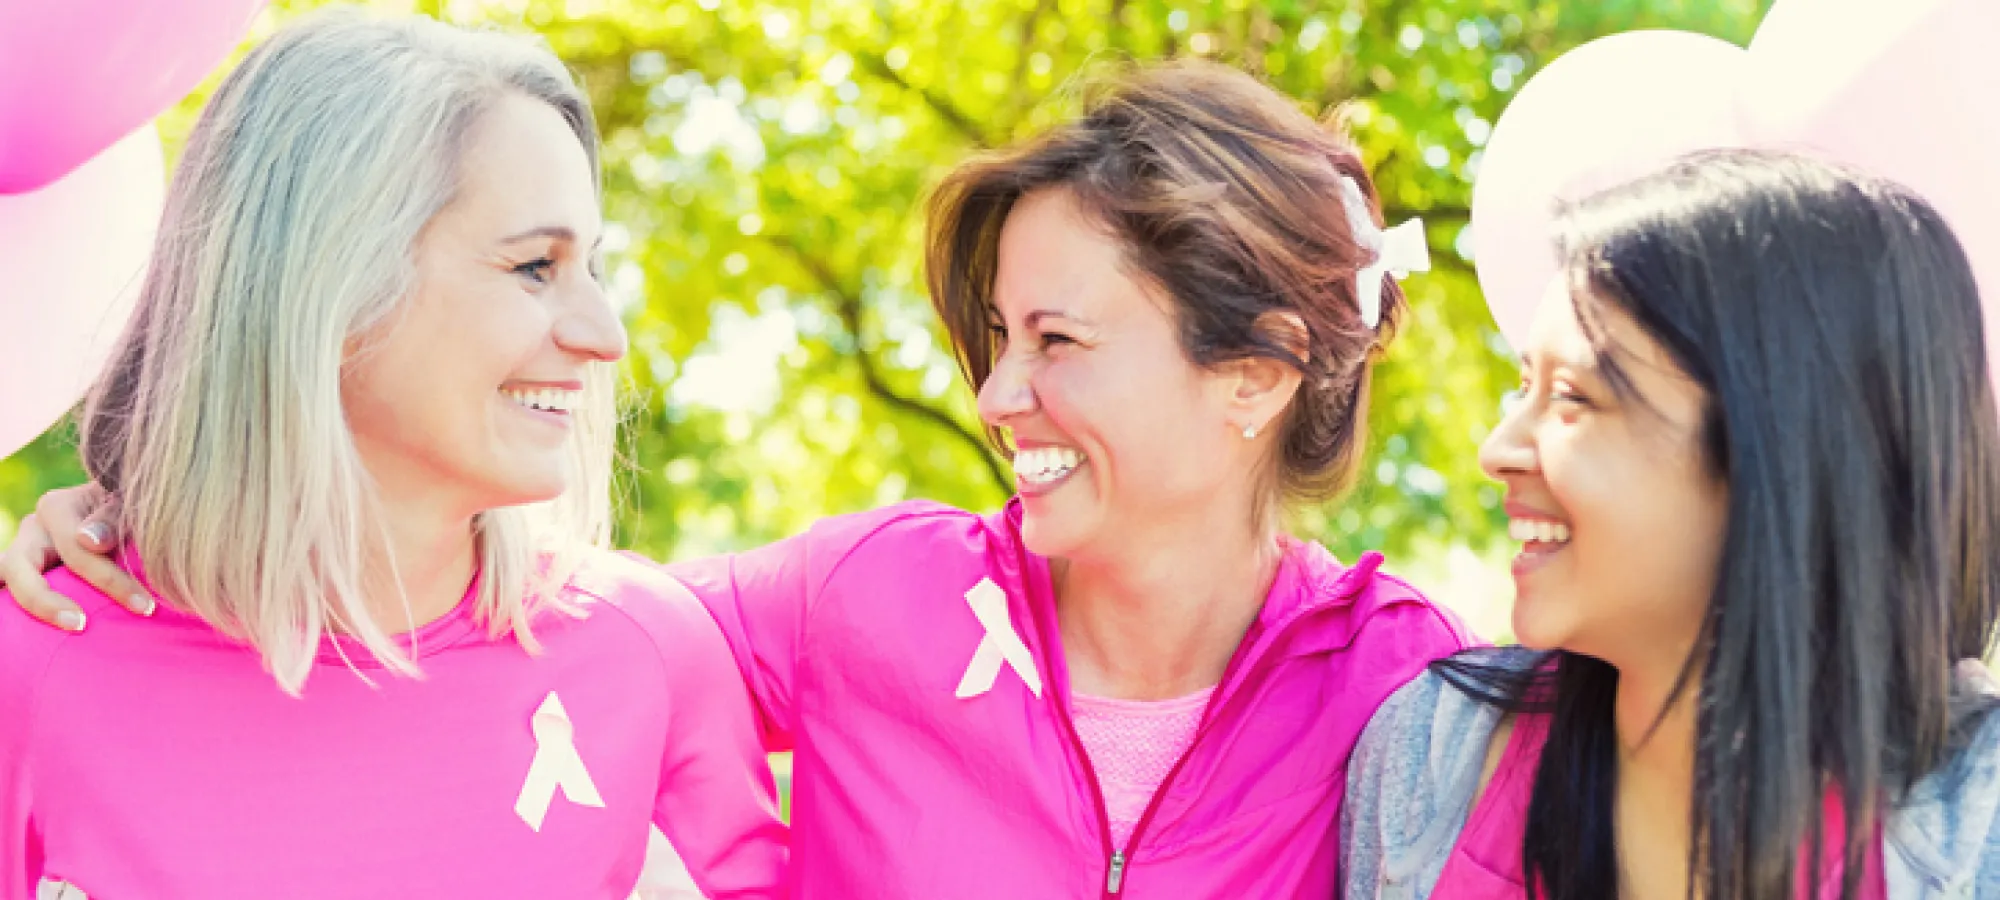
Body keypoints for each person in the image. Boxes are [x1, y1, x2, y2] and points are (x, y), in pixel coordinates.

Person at [3, 59, 1469, 898]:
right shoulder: (864, 596)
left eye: (1059, 341)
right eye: (998, 335)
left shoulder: (1420, 699)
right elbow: (475, 620)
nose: (994, 394)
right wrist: (146, 513)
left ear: (1255, 378)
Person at [0, 12, 785, 899]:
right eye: (535, 266)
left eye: (591, 268)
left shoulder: (646, 655)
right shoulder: (33, 667)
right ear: (329, 288)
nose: (605, 336)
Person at [1340, 149, 2000, 899]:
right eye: (1524, 386)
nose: (1497, 452)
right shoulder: (1434, 757)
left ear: (1780, 447)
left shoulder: (1977, 831)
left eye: (1572, 397)